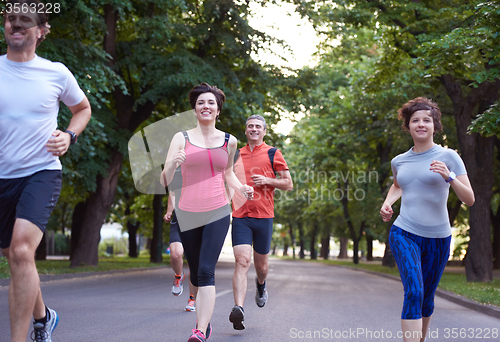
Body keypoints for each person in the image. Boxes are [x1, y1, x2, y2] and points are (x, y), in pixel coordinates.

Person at [0, 1, 92, 341]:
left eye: (25, 20)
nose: (16, 25)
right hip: (2, 176)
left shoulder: (56, 73)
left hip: (41, 171)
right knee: (14, 256)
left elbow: (82, 108)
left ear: (41, 31)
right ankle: (43, 317)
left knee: (23, 251)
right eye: (11, 19)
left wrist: (69, 136)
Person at [160, 83, 253, 342]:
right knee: (196, 271)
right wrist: (172, 165)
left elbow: (227, 174)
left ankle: (199, 330)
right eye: (201, 102)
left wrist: (241, 188)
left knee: (205, 270)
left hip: (217, 211)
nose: (206, 106)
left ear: (218, 110)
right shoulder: (182, 138)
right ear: (195, 109)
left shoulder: (229, 140)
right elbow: (164, 179)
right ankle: (205, 324)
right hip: (187, 212)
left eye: (211, 103)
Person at [380, 97, 474, 342]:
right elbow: (398, 185)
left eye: (426, 120)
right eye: (415, 120)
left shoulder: (449, 156)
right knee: (414, 290)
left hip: (438, 238)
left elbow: (470, 199)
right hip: (404, 232)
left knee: (427, 297)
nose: (421, 124)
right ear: (408, 126)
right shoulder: (399, 161)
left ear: (435, 125)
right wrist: (388, 203)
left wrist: (450, 176)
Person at [228, 114, 293, 330]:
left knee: (261, 266)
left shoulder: (273, 153)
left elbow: (288, 184)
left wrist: (267, 180)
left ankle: (261, 285)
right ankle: (239, 309)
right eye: (250, 126)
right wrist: (234, 194)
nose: (254, 129)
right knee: (242, 261)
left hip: (264, 216)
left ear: (264, 131)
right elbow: (227, 181)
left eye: (258, 126)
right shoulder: (235, 154)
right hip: (240, 216)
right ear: (245, 131)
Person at [163, 169, 197, 312]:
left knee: (194, 263)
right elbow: (173, 193)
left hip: (198, 221)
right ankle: (178, 276)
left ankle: (192, 299)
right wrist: (169, 211)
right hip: (179, 220)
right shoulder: (180, 172)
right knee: (176, 254)